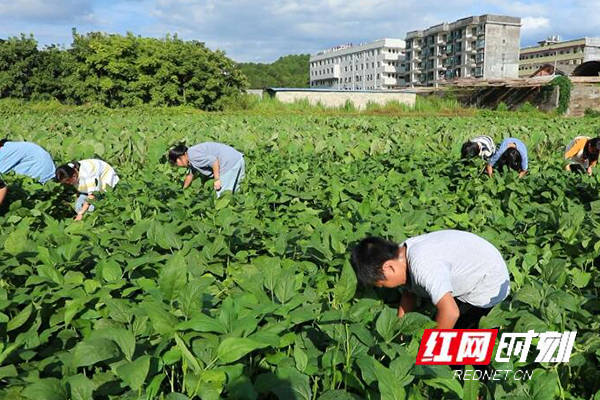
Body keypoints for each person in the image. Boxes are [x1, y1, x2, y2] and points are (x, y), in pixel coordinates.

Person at [350, 230, 510, 329]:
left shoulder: (423, 266)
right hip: (477, 260)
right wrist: (399, 330)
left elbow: (450, 312)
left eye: (382, 284)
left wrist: (430, 355)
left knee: (458, 343)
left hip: (488, 283)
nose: (385, 287)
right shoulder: (400, 253)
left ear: (388, 268)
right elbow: (408, 293)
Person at [168, 142, 245, 198]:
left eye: (176, 163)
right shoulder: (191, 155)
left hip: (228, 164)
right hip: (238, 159)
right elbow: (190, 175)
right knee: (236, 193)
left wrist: (217, 180)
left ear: (180, 157)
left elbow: (214, 161)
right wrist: (183, 190)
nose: (178, 165)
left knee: (222, 198)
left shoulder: (192, 156)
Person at [55, 159, 119, 221]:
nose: (68, 184)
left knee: (91, 208)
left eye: (68, 182)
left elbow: (92, 195)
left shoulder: (87, 174)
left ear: (74, 176)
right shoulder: (70, 169)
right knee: (78, 206)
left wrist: (81, 213)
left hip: (104, 180)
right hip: (88, 188)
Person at [0, 139, 56, 207]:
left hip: (39, 184)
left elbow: (2, 184)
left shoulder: (5, 152)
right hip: (49, 181)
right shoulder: (11, 146)